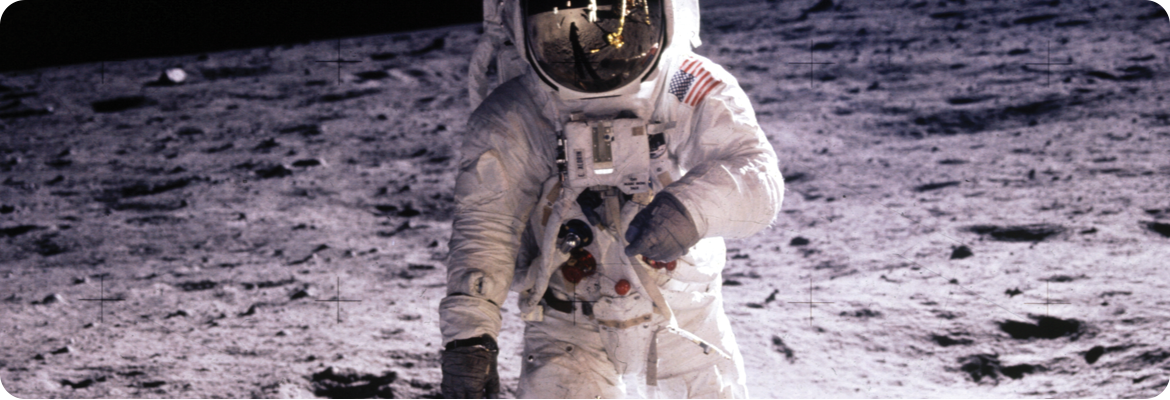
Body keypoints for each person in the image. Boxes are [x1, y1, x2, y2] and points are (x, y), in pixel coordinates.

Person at [441, 0, 784, 398]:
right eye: (563, 28)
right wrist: (470, 339)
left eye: (618, 20)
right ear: (522, 25)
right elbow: (487, 225)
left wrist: (689, 211)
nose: (596, 52)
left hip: (683, 314)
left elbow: (756, 172)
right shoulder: (521, 110)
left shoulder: (681, 83)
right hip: (568, 325)